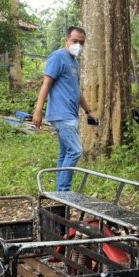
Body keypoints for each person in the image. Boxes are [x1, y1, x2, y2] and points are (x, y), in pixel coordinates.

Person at [33, 26, 97, 192]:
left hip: (71, 114)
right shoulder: (58, 57)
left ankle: (58, 193)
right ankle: (63, 191)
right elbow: (46, 84)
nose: (78, 45)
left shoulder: (75, 62)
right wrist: (38, 110)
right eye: (75, 41)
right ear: (66, 40)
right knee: (76, 150)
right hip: (61, 114)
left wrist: (88, 111)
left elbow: (77, 90)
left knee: (65, 154)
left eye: (81, 43)